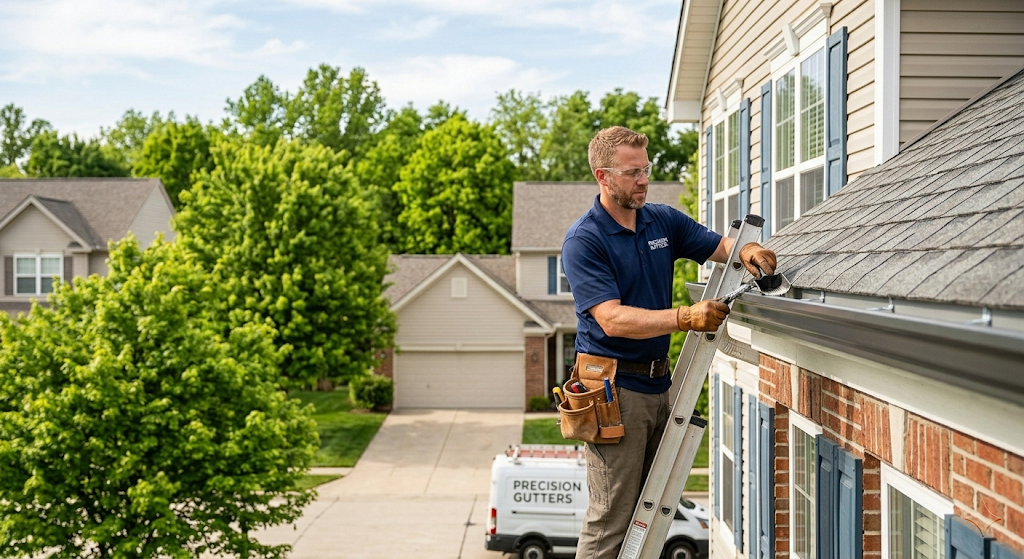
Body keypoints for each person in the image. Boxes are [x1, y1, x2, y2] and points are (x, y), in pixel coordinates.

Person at [561, 126, 776, 559]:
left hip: (660, 386)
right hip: (613, 393)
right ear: (603, 177)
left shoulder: (662, 220)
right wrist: (686, 317)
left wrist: (747, 251)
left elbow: (718, 245)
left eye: (646, 170)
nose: (643, 180)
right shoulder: (585, 240)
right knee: (611, 521)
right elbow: (612, 318)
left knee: (653, 509)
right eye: (632, 173)